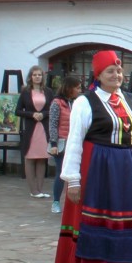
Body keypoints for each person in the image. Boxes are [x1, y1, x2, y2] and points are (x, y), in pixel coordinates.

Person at [54, 51, 132, 263]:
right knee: (86, 220)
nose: (117, 75)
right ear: (99, 75)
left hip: (123, 170)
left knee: (118, 221)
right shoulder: (86, 101)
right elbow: (74, 141)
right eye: (110, 71)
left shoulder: (128, 99)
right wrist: (72, 179)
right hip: (96, 168)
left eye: (119, 70)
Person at [16, 65, 55, 198]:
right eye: (34, 75)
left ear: (42, 77)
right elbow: (18, 111)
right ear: (30, 77)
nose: (37, 77)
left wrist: (43, 114)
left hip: (44, 128)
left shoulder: (48, 92)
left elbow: (53, 109)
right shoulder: (25, 92)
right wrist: (32, 114)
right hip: (31, 128)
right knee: (30, 158)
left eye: (39, 75)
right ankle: (33, 190)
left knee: (42, 159)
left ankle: (40, 189)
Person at [47, 76, 82, 214]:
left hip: (74, 142)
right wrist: (54, 143)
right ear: (69, 88)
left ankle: (72, 202)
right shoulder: (57, 103)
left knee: (75, 174)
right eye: (77, 87)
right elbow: (53, 124)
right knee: (61, 173)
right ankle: (56, 202)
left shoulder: (77, 102)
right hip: (61, 142)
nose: (79, 90)